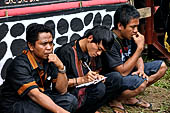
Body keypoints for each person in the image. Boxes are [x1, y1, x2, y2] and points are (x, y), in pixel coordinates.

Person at [101, 4, 167, 113]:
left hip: (129, 71)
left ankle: (127, 97)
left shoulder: (129, 35)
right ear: (120, 26)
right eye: (132, 27)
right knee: (141, 84)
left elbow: (138, 57)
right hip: (115, 79)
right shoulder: (111, 42)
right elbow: (122, 72)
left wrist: (141, 70)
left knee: (162, 67)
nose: (136, 30)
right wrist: (140, 48)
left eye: (137, 26)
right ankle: (114, 99)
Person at [0, 24, 78, 113]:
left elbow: (62, 91)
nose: (49, 48)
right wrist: (60, 112)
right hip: (15, 104)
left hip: (39, 97)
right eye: (44, 44)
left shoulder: (49, 59)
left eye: (51, 43)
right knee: (38, 110)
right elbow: (34, 95)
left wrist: (61, 67)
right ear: (31, 46)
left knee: (70, 101)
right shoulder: (20, 64)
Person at [55, 25, 123, 113]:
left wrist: (97, 77)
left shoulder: (93, 53)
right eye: (99, 49)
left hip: (87, 87)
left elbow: (96, 70)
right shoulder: (66, 52)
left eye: (102, 51)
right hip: (71, 93)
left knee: (116, 78)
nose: (99, 53)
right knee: (99, 88)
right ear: (90, 38)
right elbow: (58, 85)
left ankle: (92, 109)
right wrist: (82, 79)